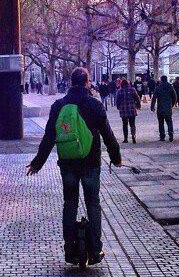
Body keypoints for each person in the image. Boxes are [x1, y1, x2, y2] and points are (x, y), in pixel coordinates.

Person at [26, 68, 122, 266]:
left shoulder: (59, 105)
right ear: (87, 82)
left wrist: (38, 163)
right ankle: (95, 250)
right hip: (91, 163)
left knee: (69, 204)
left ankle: (70, 249)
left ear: (70, 82)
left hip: (68, 163)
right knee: (93, 203)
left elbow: (49, 137)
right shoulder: (95, 104)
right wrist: (116, 157)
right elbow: (108, 135)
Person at [151, 75, 177, 142]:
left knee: (161, 122)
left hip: (160, 107)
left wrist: (152, 106)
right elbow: (174, 96)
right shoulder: (170, 87)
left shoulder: (158, 87)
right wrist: (172, 104)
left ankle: (162, 136)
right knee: (169, 121)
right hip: (168, 107)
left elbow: (154, 98)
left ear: (161, 80)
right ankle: (171, 134)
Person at [116, 79, 141, 143]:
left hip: (123, 110)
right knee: (132, 124)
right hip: (132, 109)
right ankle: (133, 136)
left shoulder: (119, 91)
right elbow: (137, 98)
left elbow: (117, 101)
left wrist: (118, 107)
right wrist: (138, 105)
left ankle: (125, 138)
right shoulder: (132, 89)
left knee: (125, 124)